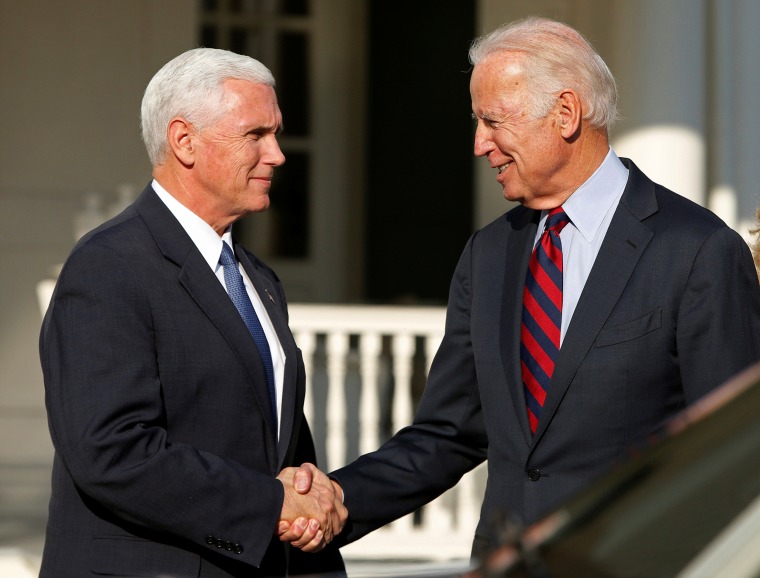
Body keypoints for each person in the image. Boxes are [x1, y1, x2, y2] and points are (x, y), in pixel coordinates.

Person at [280, 16, 760, 562]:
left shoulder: (697, 250)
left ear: (565, 113)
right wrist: (340, 497)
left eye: (492, 121)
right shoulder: (488, 254)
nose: (480, 144)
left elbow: (732, 459)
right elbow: (449, 433)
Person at [39, 48, 346, 577]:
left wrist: (308, 493)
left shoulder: (258, 278)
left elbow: (277, 442)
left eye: (275, 133)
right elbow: (112, 453)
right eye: (256, 135)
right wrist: (269, 505)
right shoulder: (108, 266)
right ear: (184, 141)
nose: (277, 154)